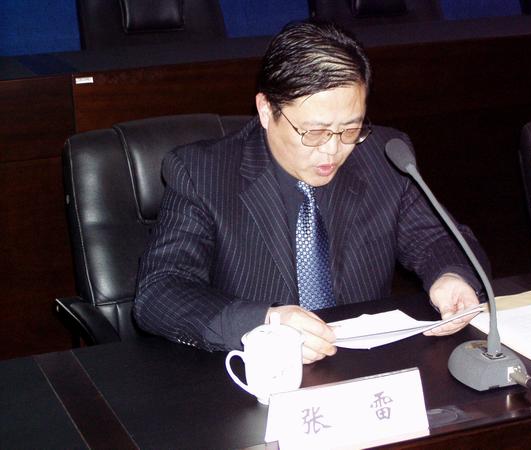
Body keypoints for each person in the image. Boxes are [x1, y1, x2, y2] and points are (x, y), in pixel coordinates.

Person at [133, 21, 488, 364]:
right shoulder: (202, 173)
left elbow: (440, 239)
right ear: (266, 110)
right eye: (314, 133)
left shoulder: (383, 155)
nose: (333, 150)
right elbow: (160, 292)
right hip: (255, 376)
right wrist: (263, 323)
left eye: (350, 129)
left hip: (364, 370)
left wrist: (452, 276)